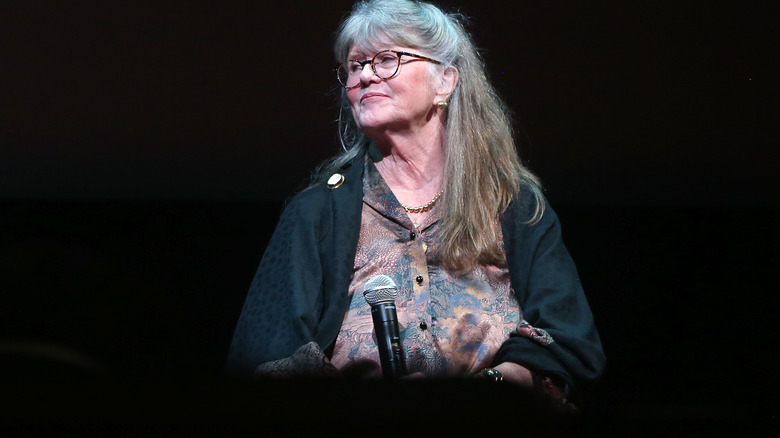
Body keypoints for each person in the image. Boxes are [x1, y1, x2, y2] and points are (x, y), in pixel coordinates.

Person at [226, 0, 605, 407]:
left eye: (387, 59)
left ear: (445, 81)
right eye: (355, 66)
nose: (366, 76)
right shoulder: (317, 211)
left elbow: (569, 343)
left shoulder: (512, 205)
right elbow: (263, 354)